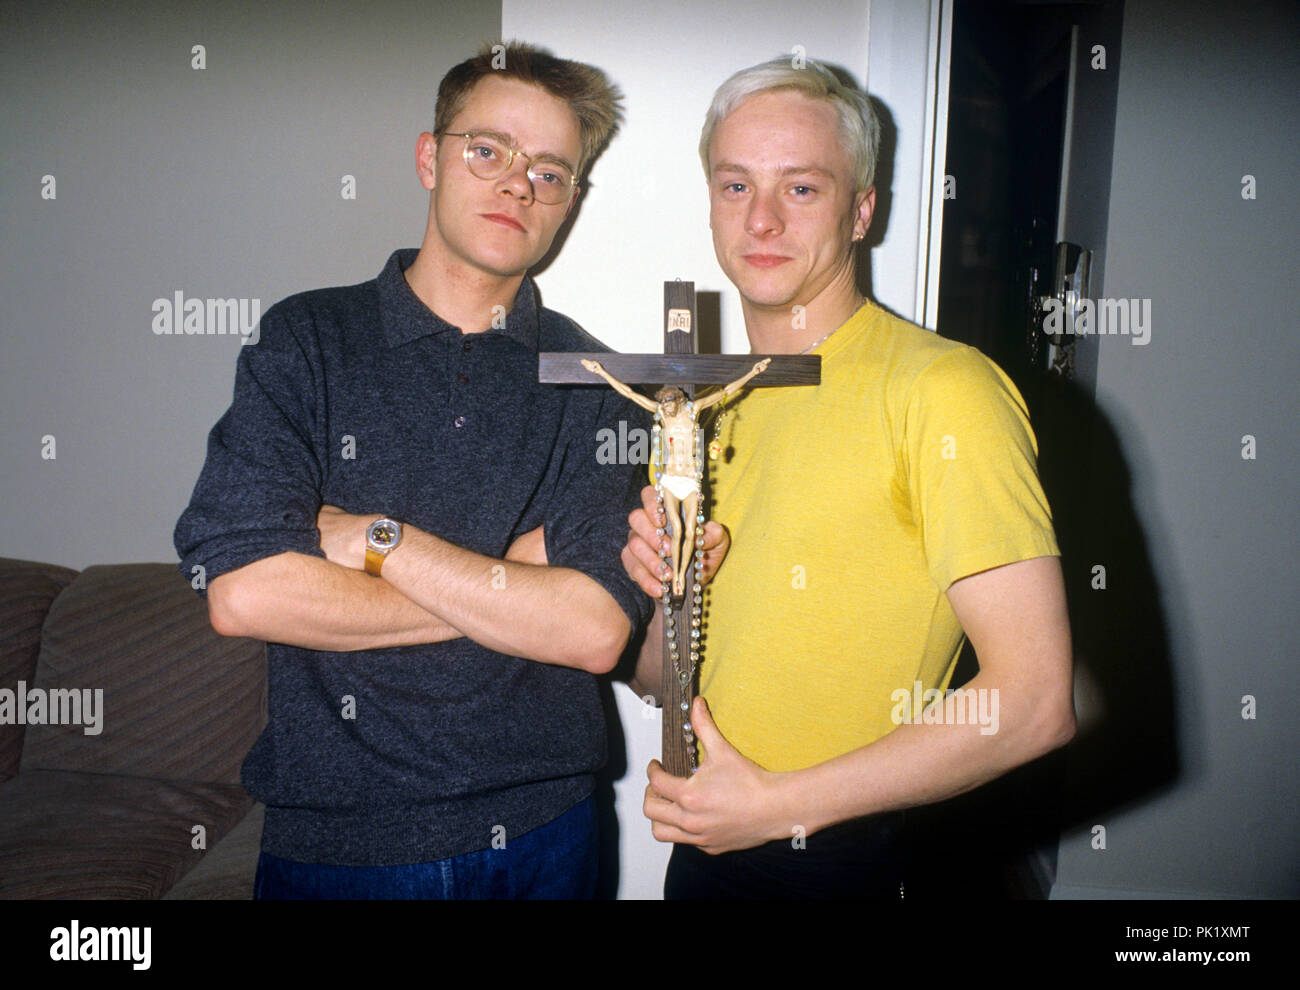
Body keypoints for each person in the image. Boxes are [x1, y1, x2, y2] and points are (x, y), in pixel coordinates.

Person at [174, 42, 651, 899]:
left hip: (549, 837)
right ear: (430, 157)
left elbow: (593, 631)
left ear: (571, 200)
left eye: (550, 171)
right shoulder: (307, 341)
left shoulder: (598, 379)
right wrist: (514, 581)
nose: (517, 185)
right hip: (341, 850)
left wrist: (376, 539)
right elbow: (244, 592)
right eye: (488, 150)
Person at [623, 57, 1076, 899]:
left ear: (861, 210)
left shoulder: (944, 391)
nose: (760, 219)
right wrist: (665, 592)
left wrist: (777, 808)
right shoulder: (700, 405)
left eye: (801, 189)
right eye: (734, 186)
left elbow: (1036, 701)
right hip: (709, 847)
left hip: (849, 856)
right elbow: (657, 677)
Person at [579, 356, 769, 597]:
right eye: (663, 406)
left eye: (669, 405)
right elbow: (629, 393)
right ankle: (677, 580)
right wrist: (601, 372)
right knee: (676, 529)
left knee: (691, 531)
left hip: (690, 480)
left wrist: (753, 372)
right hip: (670, 480)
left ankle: (681, 575)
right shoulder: (663, 414)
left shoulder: (694, 410)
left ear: (678, 401)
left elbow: (726, 391)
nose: (666, 409)